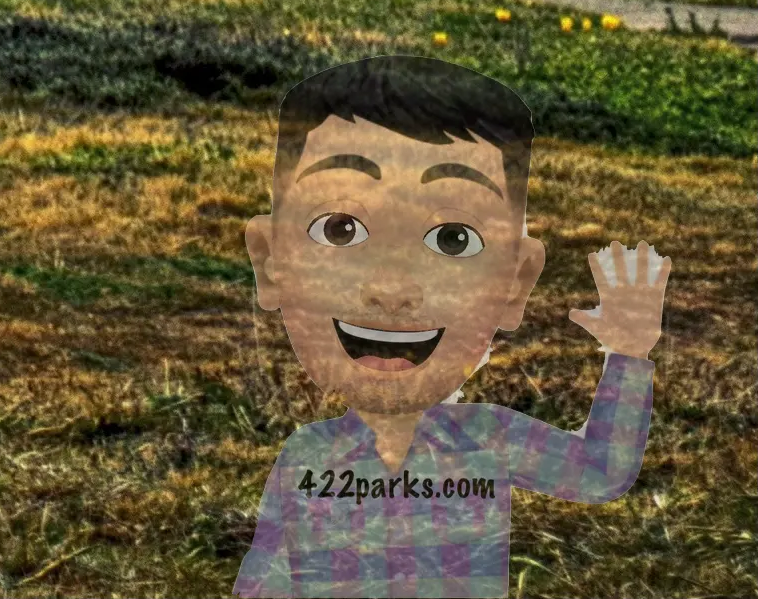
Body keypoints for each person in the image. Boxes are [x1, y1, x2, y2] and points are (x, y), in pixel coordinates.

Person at [235, 52, 667, 593]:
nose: (392, 289)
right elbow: (267, 575)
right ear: (270, 261)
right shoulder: (306, 458)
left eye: (453, 239)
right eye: (340, 229)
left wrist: (627, 355)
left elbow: (601, 472)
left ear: (516, 280)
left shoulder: (492, 440)